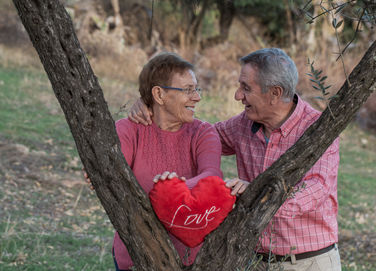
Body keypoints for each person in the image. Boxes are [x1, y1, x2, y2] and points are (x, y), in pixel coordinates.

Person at [128, 48, 341, 270]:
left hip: (309, 262)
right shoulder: (244, 124)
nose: (237, 95)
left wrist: (256, 194)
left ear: (275, 93)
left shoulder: (318, 130)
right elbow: (200, 137)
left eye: (246, 88)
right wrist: (155, 104)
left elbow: (314, 190)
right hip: (253, 261)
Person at [86, 52, 245, 270]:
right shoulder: (128, 130)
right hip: (136, 256)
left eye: (196, 89)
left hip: (190, 259)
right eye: (188, 90)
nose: (197, 97)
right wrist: (98, 174)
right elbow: (110, 176)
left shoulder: (203, 132)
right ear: (159, 95)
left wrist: (174, 187)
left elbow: (212, 176)